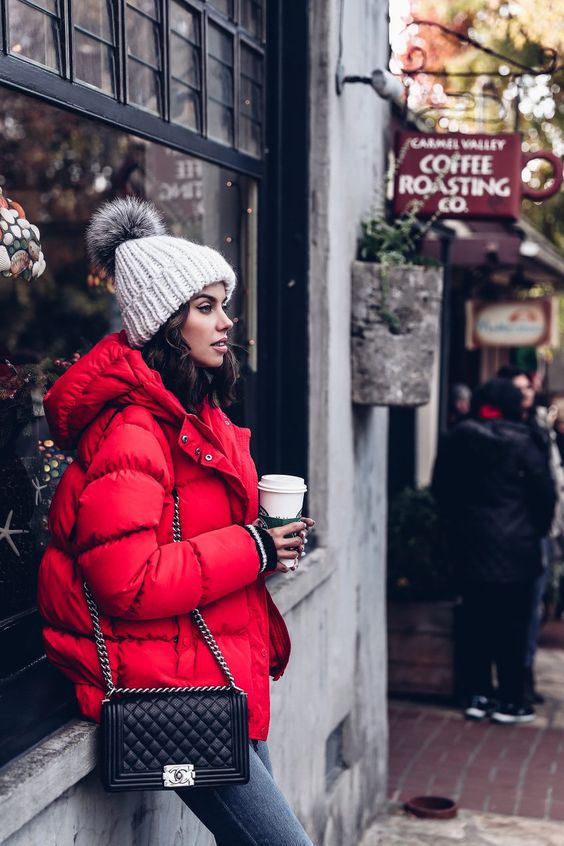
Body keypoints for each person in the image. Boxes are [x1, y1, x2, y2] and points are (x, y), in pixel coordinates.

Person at [37, 197, 316, 846]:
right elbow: (127, 581)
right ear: (167, 324)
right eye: (205, 307)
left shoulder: (195, 416)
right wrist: (252, 546)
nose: (226, 321)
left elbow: (194, 540)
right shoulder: (133, 431)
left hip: (215, 672)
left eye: (223, 304)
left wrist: (269, 544)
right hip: (171, 686)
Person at [432, 378, 556, 725]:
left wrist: (456, 528)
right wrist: (534, 530)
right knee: (513, 626)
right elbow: (544, 493)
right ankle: (512, 701)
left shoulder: (458, 436)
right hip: (518, 549)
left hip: (470, 546)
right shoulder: (525, 440)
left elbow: (441, 489)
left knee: (474, 621)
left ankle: (478, 695)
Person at [497, 365, 564, 705]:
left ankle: (524, 674)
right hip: (510, 532)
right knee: (509, 610)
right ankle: (509, 681)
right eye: (518, 388)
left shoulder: (539, 426)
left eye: (528, 387)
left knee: (532, 607)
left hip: (539, 531)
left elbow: (551, 479)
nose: (525, 393)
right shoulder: (500, 430)